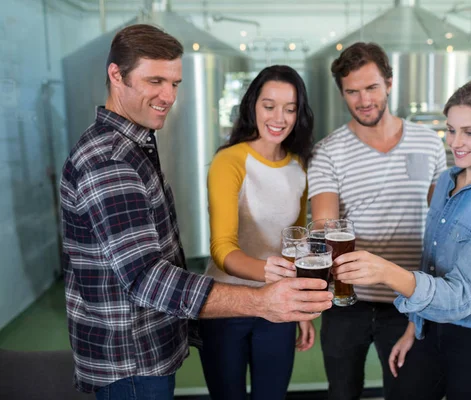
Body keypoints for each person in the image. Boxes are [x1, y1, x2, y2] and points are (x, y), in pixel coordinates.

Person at [59, 24, 332, 399]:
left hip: (147, 349)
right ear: (116, 75)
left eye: (175, 84)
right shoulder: (111, 160)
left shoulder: (135, 148)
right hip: (131, 359)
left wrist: (289, 301)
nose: (168, 96)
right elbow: (146, 278)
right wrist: (261, 298)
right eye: (156, 80)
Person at [333, 77, 471, 399]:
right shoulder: (447, 179)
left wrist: (386, 272)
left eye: (470, 132)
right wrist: (413, 328)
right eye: (451, 129)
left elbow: (462, 297)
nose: (455, 142)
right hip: (430, 330)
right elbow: (429, 266)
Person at [306, 42, 447, 400]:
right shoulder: (327, 151)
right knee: (342, 393)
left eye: (371, 87)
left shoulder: (429, 143)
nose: (363, 99)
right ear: (342, 93)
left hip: (409, 297)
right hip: (346, 301)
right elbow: (323, 222)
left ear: (389, 83)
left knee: (410, 393)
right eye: (352, 91)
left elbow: (444, 219)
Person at [198, 65, 315, 400]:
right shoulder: (229, 161)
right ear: (252, 106)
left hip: (278, 306)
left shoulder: (299, 166)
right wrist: (266, 270)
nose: (279, 117)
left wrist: (301, 309)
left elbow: (298, 241)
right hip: (226, 304)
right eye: (269, 106)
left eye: (289, 109)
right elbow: (221, 248)